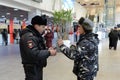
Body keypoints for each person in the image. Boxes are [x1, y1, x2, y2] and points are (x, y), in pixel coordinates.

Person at [19, 15, 56, 80]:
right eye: (43, 27)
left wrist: (47, 50)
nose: (44, 29)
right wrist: (48, 52)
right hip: (32, 67)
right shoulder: (29, 37)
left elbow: (38, 48)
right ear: (36, 26)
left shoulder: (36, 35)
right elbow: (34, 53)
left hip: (37, 66)